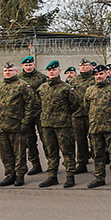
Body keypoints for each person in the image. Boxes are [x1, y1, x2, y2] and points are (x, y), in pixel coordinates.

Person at [0, 61, 37, 187]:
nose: (7, 73)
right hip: (1, 126)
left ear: (16, 72)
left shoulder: (23, 86)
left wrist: (26, 122)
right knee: (5, 152)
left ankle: (20, 175)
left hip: (17, 126)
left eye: (10, 71)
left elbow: (30, 105)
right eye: (5, 71)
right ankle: (9, 174)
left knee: (19, 152)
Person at [34, 60, 80, 188]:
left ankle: (70, 176)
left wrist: (64, 115)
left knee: (67, 150)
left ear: (59, 71)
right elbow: (37, 104)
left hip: (63, 125)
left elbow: (75, 104)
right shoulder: (42, 88)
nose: (51, 72)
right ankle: (52, 176)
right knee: (51, 151)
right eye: (49, 70)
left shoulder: (66, 88)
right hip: (47, 125)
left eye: (54, 70)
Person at [83, 64, 111, 188]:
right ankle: (99, 177)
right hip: (95, 128)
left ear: (106, 74)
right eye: (96, 75)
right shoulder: (90, 90)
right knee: (97, 154)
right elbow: (86, 106)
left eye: (101, 74)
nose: (99, 77)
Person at [18, 55, 47, 176]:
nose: (28, 67)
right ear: (22, 66)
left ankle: (51, 164)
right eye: (26, 65)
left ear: (34, 65)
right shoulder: (18, 79)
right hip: (26, 114)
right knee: (29, 141)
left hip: (39, 112)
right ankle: (35, 164)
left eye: (30, 65)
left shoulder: (41, 78)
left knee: (46, 139)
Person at [70, 59, 95, 174]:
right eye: (81, 65)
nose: (83, 67)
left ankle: (98, 161)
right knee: (80, 140)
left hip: (92, 114)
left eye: (86, 65)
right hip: (78, 115)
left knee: (95, 140)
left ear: (90, 66)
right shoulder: (74, 80)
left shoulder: (95, 78)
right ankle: (82, 162)